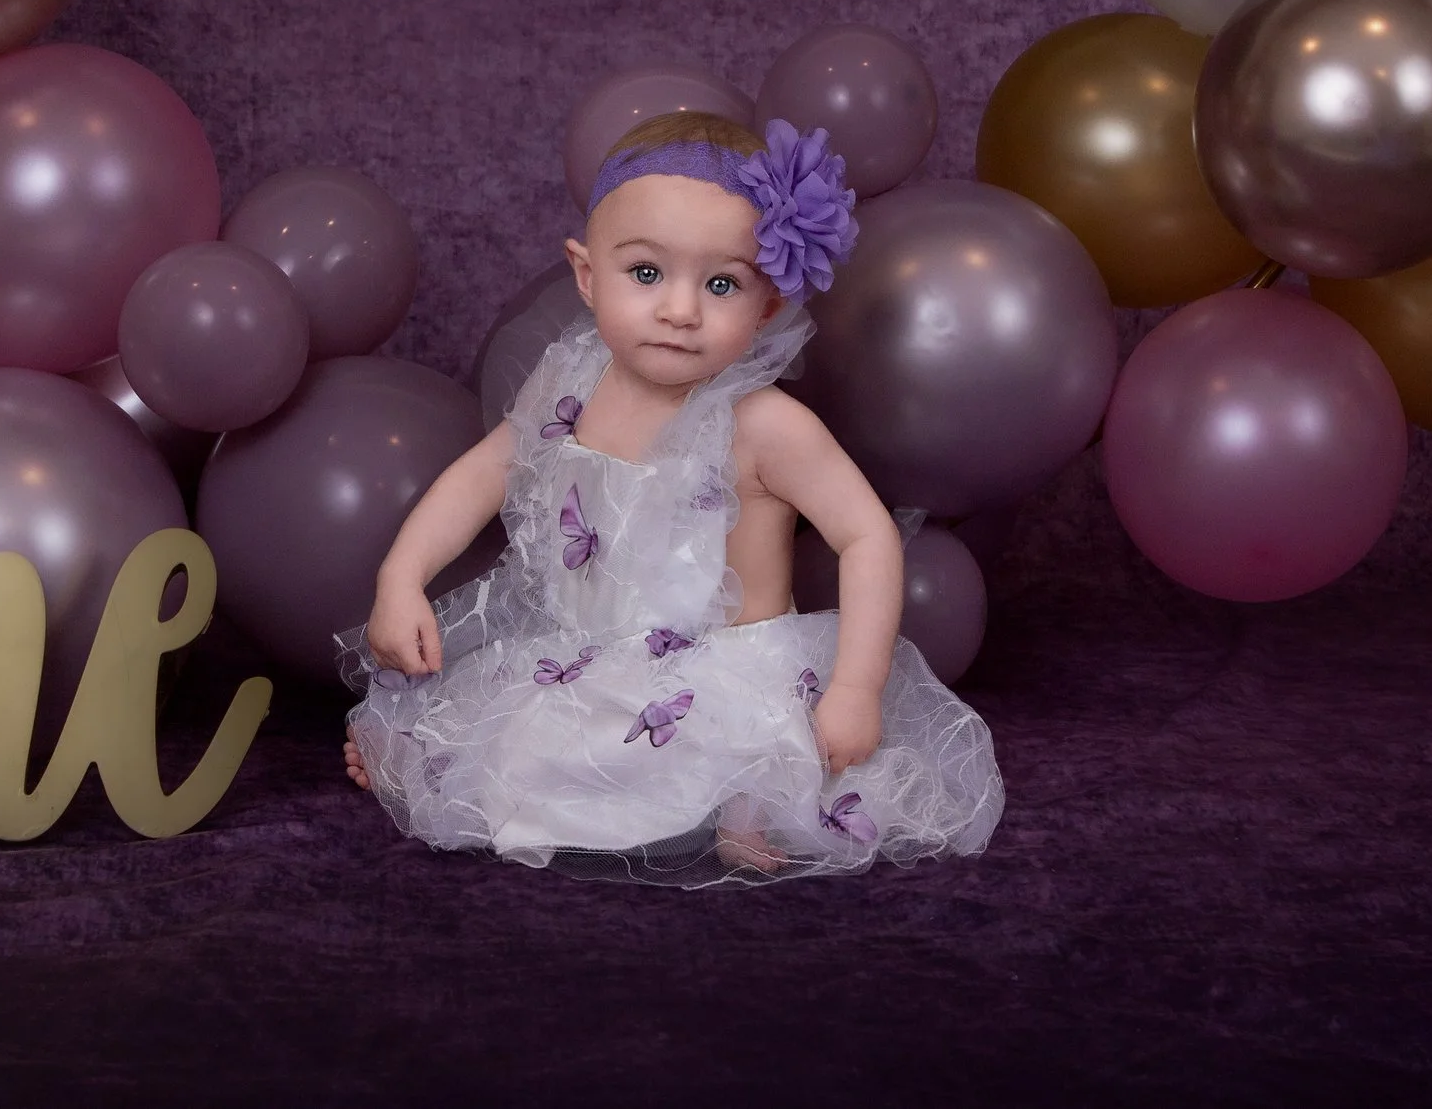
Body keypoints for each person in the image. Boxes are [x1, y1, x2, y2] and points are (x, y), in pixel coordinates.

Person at [339, 112, 1002, 884]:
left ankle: (751, 802)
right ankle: (456, 758)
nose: (680, 310)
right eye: (647, 273)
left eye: (722, 283)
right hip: (591, 653)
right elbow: (481, 475)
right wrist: (402, 576)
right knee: (515, 744)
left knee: (757, 755)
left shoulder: (764, 425)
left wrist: (856, 686)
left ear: (767, 308)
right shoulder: (568, 389)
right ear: (587, 275)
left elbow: (867, 537)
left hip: (729, 673)